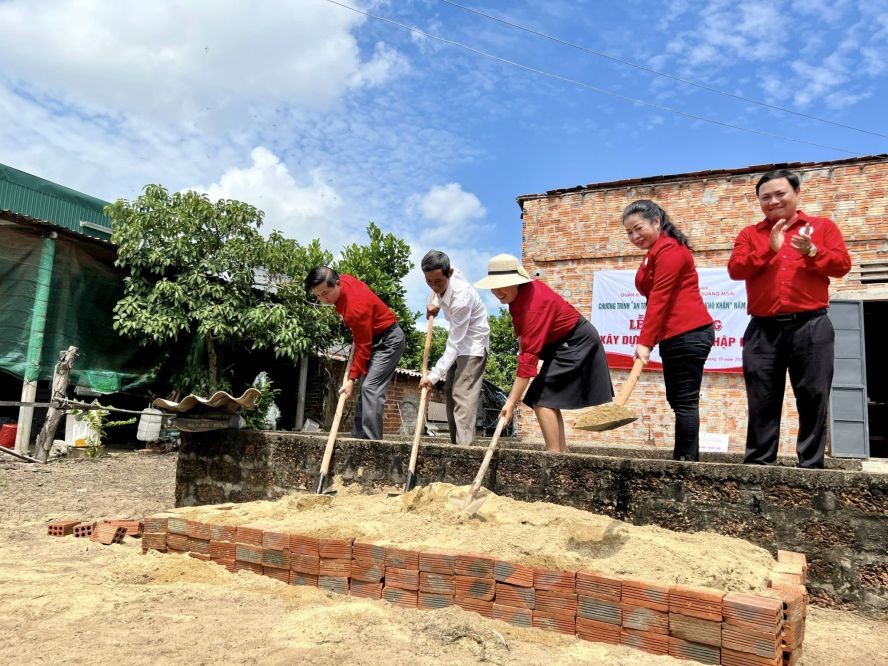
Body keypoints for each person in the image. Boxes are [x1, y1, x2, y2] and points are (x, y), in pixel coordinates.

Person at [727, 169, 851, 469]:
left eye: (780, 194)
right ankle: (758, 465)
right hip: (763, 328)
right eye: (765, 197)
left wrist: (813, 252)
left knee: (813, 397)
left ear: (796, 193)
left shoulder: (821, 227)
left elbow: (842, 266)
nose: (773, 201)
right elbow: (736, 269)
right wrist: (768, 251)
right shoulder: (749, 234)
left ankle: (810, 466)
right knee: (762, 399)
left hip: (811, 325)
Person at [475, 253, 613, 453]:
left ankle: (554, 455)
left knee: (540, 398)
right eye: (493, 286)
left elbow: (527, 364)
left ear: (516, 281)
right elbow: (523, 341)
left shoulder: (534, 304)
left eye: (502, 285)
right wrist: (522, 351)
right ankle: (561, 453)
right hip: (562, 346)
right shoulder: (517, 298)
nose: (497, 291)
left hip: (576, 343)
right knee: (548, 398)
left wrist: (511, 403)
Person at [623, 200, 715, 461]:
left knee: (684, 401)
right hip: (674, 335)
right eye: (629, 232)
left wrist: (644, 342)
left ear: (656, 222)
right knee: (677, 400)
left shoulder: (670, 250)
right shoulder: (653, 253)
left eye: (638, 228)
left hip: (689, 331)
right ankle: (683, 458)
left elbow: (659, 298)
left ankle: (685, 464)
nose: (634, 236)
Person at [305, 267, 405, 441]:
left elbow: (363, 347)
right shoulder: (344, 280)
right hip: (374, 339)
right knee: (364, 395)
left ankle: (372, 447)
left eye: (325, 294)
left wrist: (351, 379)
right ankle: (358, 442)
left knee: (370, 389)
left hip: (388, 341)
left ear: (338, 284)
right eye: (317, 296)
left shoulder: (355, 308)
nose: (322, 299)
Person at [418, 250, 490, 445]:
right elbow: (444, 289)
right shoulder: (450, 275)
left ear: (448, 274)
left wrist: (432, 377)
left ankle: (464, 450)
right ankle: (455, 446)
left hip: (473, 346)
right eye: (428, 281)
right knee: (450, 392)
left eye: (438, 282)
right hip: (459, 345)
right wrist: (435, 303)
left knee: (462, 394)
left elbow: (454, 344)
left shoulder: (461, 298)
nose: (434, 286)